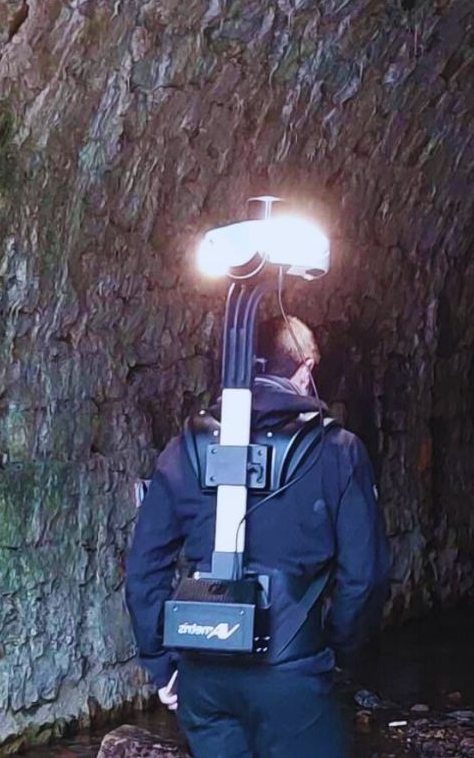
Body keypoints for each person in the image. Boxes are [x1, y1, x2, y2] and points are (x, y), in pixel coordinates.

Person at [125, 315, 391, 757]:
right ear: (305, 371)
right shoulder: (339, 451)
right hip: (291, 668)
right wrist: (336, 650)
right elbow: (365, 575)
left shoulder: (183, 451)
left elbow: (143, 570)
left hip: (202, 673)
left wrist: (162, 665)